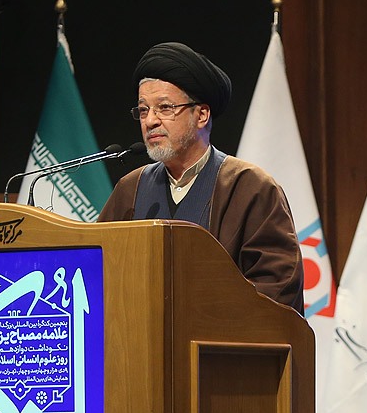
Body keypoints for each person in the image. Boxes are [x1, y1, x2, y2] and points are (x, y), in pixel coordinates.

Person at [97, 41, 304, 311]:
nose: (150, 121)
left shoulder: (250, 187)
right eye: (144, 110)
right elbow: (99, 272)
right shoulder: (130, 190)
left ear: (202, 115)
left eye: (165, 107)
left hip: (221, 337)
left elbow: (276, 286)